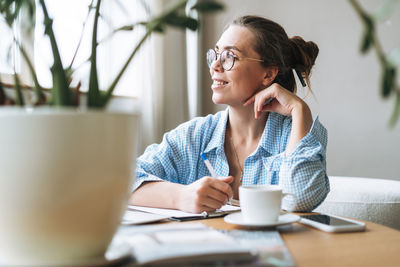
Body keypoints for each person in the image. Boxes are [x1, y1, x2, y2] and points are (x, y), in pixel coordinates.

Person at [129, 15, 329, 213]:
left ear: (268, 74)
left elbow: (300, 200)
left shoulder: (297, 133)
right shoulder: (194, 136)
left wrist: (300, 110)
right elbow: (122, 182)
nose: (215, 66)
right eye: (215, 55)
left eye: (230, 57)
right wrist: (181, 196)